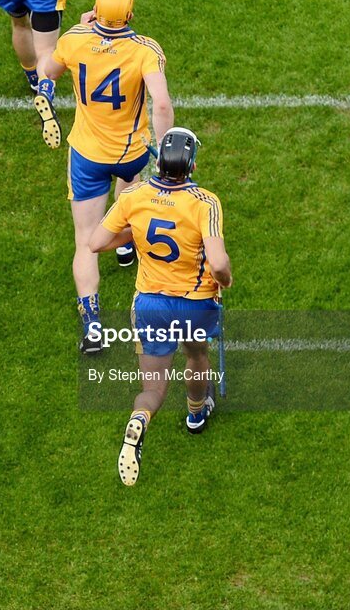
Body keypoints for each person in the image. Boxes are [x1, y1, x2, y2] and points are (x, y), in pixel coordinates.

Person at [35, 0, 174, 352]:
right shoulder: (145, 50)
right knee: (129, 204)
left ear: (95, 8)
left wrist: (80, 29)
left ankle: (93, 327)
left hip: (86, 154)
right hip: (131, 153)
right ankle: (126, 247)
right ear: (129, 13)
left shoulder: (75, 39)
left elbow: (46, 70)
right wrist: (164, 149)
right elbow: (160, 104)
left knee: (85, 241)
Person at [89, 127, 232, 486]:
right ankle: (196, 414)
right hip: (195, 304)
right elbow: (217, 264)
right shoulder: (205, 202)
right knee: (196, 357)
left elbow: (96, 242)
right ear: (192, 165)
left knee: (152, 388)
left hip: (151, 303)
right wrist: (226, 280)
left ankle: (140, 417)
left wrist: (135, 236)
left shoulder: (135, 195)